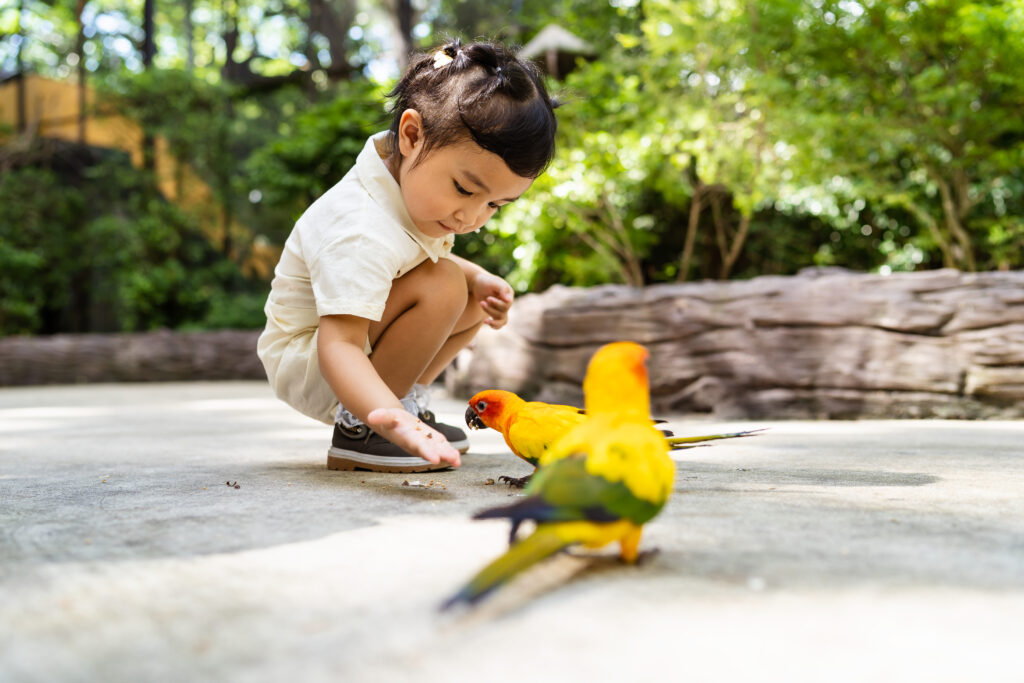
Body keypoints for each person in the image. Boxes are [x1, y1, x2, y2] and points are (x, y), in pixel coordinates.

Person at [257, 39, 559, 474]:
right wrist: (386, 418)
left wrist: (478, 280)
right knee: (444, 284)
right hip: (315, 359)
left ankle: (399, 400)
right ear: (412, 135)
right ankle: (362, 427)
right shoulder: (360, 226)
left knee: (464, 290)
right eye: (465, 189)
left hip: (341, 350)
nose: (472, 216)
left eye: (495, 205)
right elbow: (338, 342)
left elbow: (419, 259)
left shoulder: (408, 186)